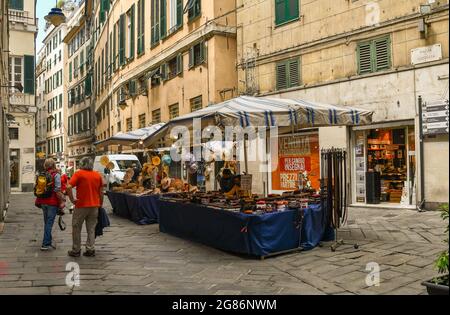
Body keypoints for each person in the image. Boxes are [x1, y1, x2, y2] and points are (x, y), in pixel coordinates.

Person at [66, 157, 104, 257]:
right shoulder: (97, 175)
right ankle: (90, 249)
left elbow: (68, 186)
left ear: (82, 164)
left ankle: (76, 250)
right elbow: (101, 192)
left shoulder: (79, 173)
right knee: (91, 229)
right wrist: (100, 204)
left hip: (81, 205)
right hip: (94, 206)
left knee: (76, 227)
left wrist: (72, 199)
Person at [35, 158, 64, 251]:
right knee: (49, 223)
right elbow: (57, 190)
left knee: (47, 222)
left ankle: (49, 241)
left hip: (43, 201)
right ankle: (45, 244)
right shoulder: (56, 175)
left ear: (45, 165)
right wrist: (62, 200)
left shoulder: (42, 174)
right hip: (52, 202)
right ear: (54, 165)